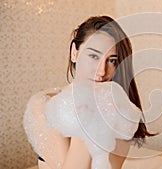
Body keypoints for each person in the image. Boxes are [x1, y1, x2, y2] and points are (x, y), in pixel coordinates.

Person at [23, 16, 154, 169]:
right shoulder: (44, 105)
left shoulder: (120, 113)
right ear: (74, 53)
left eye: (112, 60)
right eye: (93, 56)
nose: (101, 71)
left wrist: (91, 119)